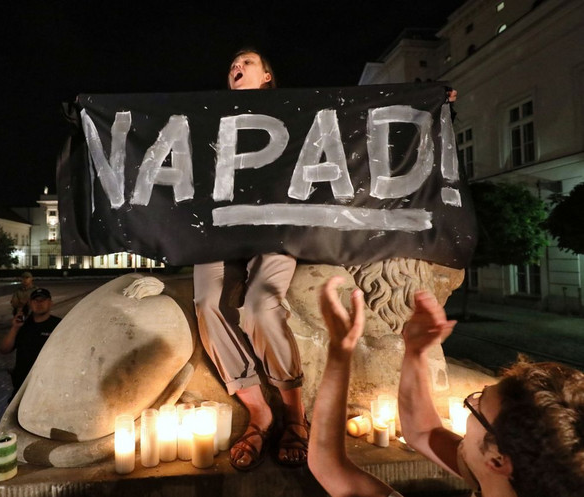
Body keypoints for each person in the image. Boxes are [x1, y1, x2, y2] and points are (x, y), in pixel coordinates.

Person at [309, 276, 584, 497]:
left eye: (476, 405)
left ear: (499, 462)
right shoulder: (523, 475)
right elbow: (425, 432)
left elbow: (330, 467)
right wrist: (415, 352)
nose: (471, 403)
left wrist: (340, 350)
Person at [194, 48, 307, 471]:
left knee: (261, 304)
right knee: (207, 303)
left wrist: (434, 107)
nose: (236, 67)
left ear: (266, 76)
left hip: (277, 228)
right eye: (231, 65)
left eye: (247, 62)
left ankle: (295, 413)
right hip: (220, 228)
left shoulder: (296, 114)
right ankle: (259, 411)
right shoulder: (206, 118)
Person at [0, 287, 62, 395]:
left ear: (50, 303)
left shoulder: (59, 325)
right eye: (35, 300)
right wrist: (15, 327)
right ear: (30, 303)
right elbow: (4, 349)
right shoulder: (22, 325)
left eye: (43, 300)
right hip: (23, 385)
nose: (39, 303)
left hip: (48, 385)